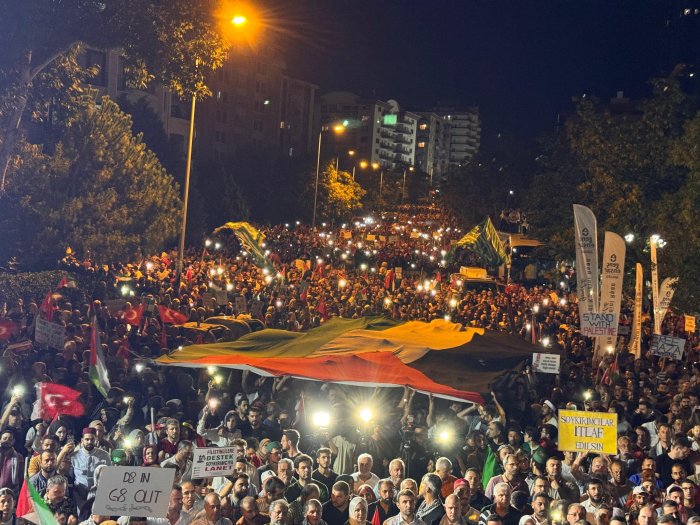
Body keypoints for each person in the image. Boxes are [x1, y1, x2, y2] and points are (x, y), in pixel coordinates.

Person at [71, 428, 110, 508]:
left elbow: (109, 475)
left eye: (92, 439)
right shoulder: (74, 456)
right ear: (82, 440)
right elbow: (70, 475)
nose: (89, 442)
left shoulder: (104, 455)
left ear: (96, 439)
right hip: (79, 494)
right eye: (87, 439)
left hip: (98, 493)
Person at [0, 430, 24, 495]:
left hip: (11, 493)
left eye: (10, 439)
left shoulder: (19, 457)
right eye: (4, 438)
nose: (7, 441)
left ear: (13, 442)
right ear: (0, 440)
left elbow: (20, 476)